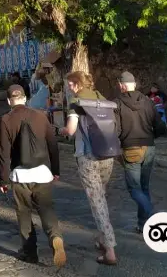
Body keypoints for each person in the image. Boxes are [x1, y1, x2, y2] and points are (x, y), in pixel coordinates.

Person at [0, 84, 65, 268]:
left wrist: (3, 180)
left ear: (9, 101)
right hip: (42, 173)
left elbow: (3, 153)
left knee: (24, 214)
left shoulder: (5, 120)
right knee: (46, 210)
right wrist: (56, 170)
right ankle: (55, 237)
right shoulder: (41, 116)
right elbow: (53, 145)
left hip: (20, 176)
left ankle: (30, 253)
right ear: (25, 98)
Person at [59, 70, 118, 266]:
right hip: (107, 154)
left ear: (76, 84)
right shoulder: (100, 97)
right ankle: (102, 238)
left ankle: (109, 249)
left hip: (88, 156)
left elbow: (71, 130)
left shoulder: (76, 102)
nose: (69, 87)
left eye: (70, 84)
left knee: (97, 201)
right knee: (101, 196)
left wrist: (60, 130)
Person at [115, 71, 167, 234]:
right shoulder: (147, 101)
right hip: (149, 147)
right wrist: (151, 137)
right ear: (135, 85)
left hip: (131, 148)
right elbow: (159, 126)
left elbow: (116, 130)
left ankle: (151, 214)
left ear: (122, 85)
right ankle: (143, 224)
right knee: (144, 187)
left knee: (134, 189)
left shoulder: (117, 103)